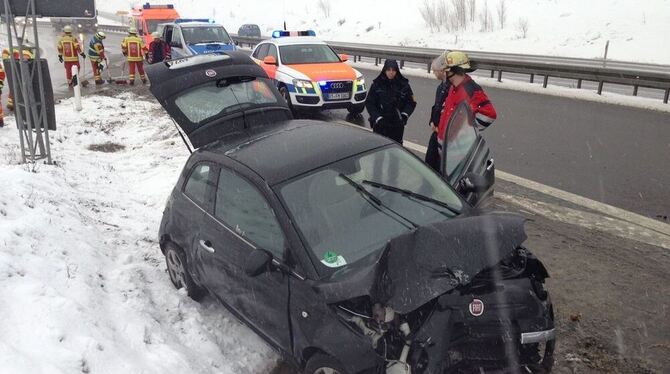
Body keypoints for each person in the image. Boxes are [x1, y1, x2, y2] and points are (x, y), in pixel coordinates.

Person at [436, 51, 496, 162]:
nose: (444, 72)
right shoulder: (453, 87)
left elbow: (489, 114)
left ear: (455, 70)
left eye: (447, 70)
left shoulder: (471, 90)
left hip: (458, 155)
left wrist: (466, 130)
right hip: (446, 152)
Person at [365, 59, 416, 144]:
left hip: (397, 125)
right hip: (380, 125)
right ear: (385, 70)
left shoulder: (403, 85)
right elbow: (369, 103)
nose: (391, 72)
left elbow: (411, 102)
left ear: (397, 71)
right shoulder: (377, 84)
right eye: (388, 70)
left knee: (395, 152)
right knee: (379, 151)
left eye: (393, 70)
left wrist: (404, 115)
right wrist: (378, 118)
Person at [425, 53, 451, 172]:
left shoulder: (450, 88)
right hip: (436, 132)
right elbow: (436, 106)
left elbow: (447, 110)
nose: (434, 73)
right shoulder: (441, 87)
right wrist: (432, 121)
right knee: (430, 163)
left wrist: (441, 128)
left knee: (439, 165)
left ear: (442, 70)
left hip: (444, 135)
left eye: (435, 70)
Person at [2, 40, 35, 111]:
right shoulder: (28, 54)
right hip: (21, 73)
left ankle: (11, 103)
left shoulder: (16, 52)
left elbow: (5, 51)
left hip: (13, 70)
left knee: (14, 86)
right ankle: (22, 103)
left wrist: (5, 61)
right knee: (22, 87)